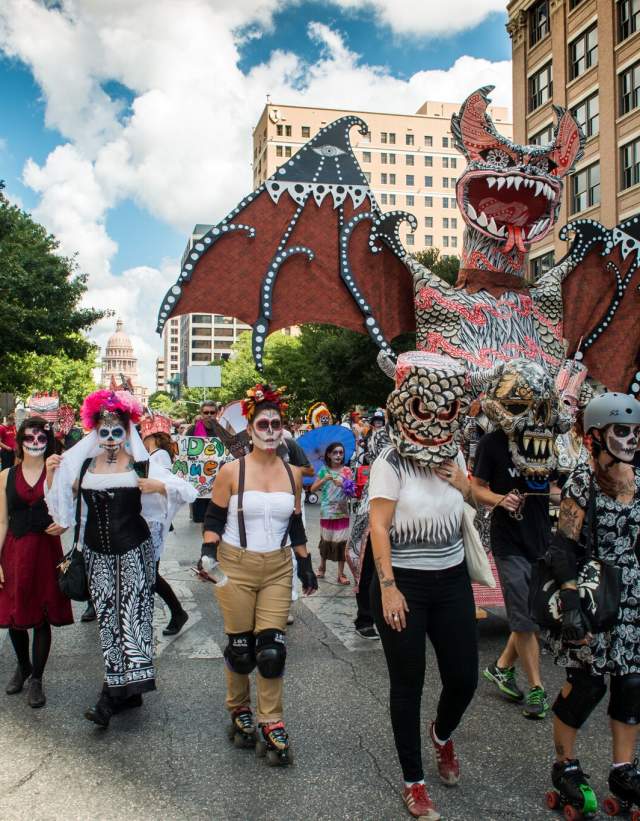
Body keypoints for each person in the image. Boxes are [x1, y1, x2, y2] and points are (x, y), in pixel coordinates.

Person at [369, 352, 478, 820]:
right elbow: (378, 526)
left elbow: (472, 498)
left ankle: (441, 734)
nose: (434, 422)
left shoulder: (454, 454)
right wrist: (388, 587)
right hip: (404, 583)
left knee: (464, 678)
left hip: (452, 579)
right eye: (423, 410)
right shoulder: (390, 462)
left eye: (445, 411)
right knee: (407, 684)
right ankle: (414, 782)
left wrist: (466, 483)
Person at [45, 389, 189, 729]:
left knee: (133, 619)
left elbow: (186, 490)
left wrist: (158, 487)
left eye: (117, 431)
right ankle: (128, 691)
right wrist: (52, 473)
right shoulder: (84, 465)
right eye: (104, 431)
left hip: (134, 550)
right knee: (108, 620)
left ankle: (109, 698)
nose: (110, 437)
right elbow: (62, 499)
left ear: (127, 431)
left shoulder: (142, 464)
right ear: (96, 431)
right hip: (97, 553)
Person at [201, 383, 317, 765]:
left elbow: (296, 523)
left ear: (283, 429)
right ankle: (238, 708)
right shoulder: (231, 471)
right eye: (263, 425)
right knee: (240, 649)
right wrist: (207, 553)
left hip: (278, 568)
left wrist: (305, 565)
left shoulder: (293, 474)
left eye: (276, 425)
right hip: (235, 565)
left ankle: (271, 719)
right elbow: (214, 518)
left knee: (271, 651)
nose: (270, 431)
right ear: (249, 429)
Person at [544, 393, 640, 816]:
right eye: (622, 431)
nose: (632, 439)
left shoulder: (639, 478)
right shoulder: (583, 480)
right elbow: (563, 546)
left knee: (632, 683)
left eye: (636, 432)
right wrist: (570, 604)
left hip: (632, 594)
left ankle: (623, 769)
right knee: (587, 684)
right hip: (593, 592)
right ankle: (565, 764)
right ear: (597, 436)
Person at [472, 359, 569, 720]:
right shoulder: (492, 444)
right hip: (509, 542)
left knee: (534, 614)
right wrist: (500, 499)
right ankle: (538, 689)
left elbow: (554, 487)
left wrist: (568, 499)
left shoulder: (546, 444)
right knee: (525, 619)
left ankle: (501, 667)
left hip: (541, 540)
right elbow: (475, 488)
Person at [0, 417, 72, 708]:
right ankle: (23, 666)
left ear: (48, 441)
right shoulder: (5, 475)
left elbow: (67, 507)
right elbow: (1, 521)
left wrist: (64, 523)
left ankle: (37, 679)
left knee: (42, 616)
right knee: (14, 615)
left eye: (41, 438)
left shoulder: (56, 470)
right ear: (19, 442)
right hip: (14, 552)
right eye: (29, 438)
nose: (35, 443)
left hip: (45, 551)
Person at [141, 413, 197, 636]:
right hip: (136, 523)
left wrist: (159, 487)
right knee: (146, 575)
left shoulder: (158, 457)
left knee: (150, 575)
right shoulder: (146, 455)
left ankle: (177, 612)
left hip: (150, 523)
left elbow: (180, 487)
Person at [310, 442, 355, 585]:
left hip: (342, 512)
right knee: (326, 540)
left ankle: (341, 574)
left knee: (341, 543)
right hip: (327, 512)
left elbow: (352, 493)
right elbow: (312, 489)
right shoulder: (324, 471)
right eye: (335, 452)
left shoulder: (347, 471)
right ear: (329, 455)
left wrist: (343, 485)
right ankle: (322, 568)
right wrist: (324, 479)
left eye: (341, 452)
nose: (338, 455)